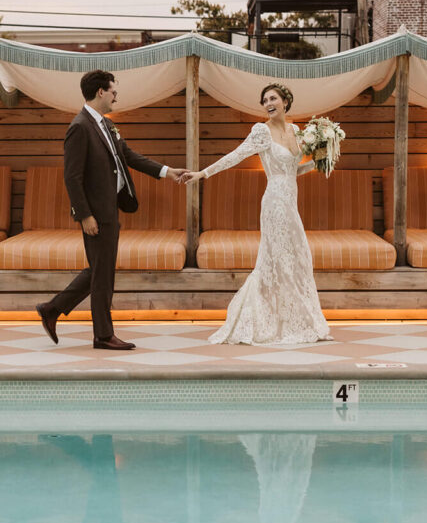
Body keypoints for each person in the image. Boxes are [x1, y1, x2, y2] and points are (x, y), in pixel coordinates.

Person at [36, 70, 187, 350]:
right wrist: (84, 216)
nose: (117, 94)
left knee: (99, 271)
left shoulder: (106, 124)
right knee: (102, 274)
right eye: (113, 91)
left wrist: (168, 172)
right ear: (101, 92)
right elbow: (72, 176)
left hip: (110, 210)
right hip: (95, 215)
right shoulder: (79, 127)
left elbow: (129, 157)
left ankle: (52, 309)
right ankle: (102, 335)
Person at [181, 84, 331, 345]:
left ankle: (294, 320)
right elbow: (235, 156)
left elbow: (293, 171)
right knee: (276, 261)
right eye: (264, 100)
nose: (268, 103)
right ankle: (262, 320)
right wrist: (202, 173)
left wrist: (318, 162)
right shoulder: (261, 131)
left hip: (290, 202)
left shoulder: (296, 130)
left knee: (298, 259)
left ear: (285, 102)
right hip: (274, 203)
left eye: (273, 98)